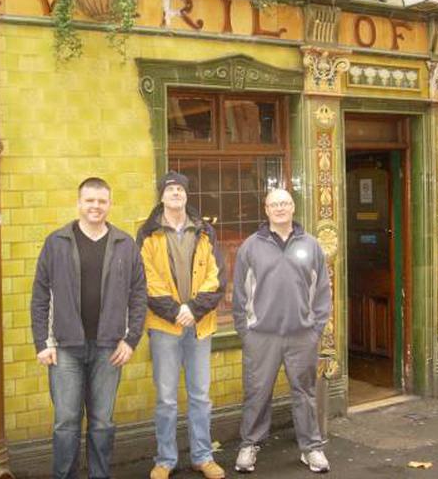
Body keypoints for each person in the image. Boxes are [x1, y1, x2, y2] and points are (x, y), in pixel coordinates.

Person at [31, 177, 147, 479]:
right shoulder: (56, 242)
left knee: (103, 422)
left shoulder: (124, 244)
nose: (96, 206)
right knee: (66, 422)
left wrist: (131, 340)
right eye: (90, 200)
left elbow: (138, 295)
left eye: (102, 201)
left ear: (110, 204)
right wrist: (42, 342)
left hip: (109, 348)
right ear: (79, 203)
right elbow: (41, 294)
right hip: (65, 348)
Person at [232, 188, 332, 474]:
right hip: (261, 337)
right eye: (274, 204)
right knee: (257, 392)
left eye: (285, 203)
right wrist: (246, 332)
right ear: (266, 210)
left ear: (293, 207)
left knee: (305, 393)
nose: (280, 208)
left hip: (301, 335)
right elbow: (239, 294)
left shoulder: (310, 245)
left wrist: (315, 330)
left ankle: (311, 448)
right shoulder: (251, 247)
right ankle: (250, 444)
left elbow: (322, 291)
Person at [137, 171, 226, 479]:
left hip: (199, 325)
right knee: (166, 399)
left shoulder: (205, 231)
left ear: (187, 195)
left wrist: (193, 309)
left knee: (200, 396)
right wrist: (176, 311)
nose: (176, 193)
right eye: (170, 189)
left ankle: (203, 456)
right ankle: (165, 459)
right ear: (161, 196)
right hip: (165, 326)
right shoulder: (148, 233)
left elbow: (217, 277)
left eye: (180, 189)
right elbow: (146, 280)